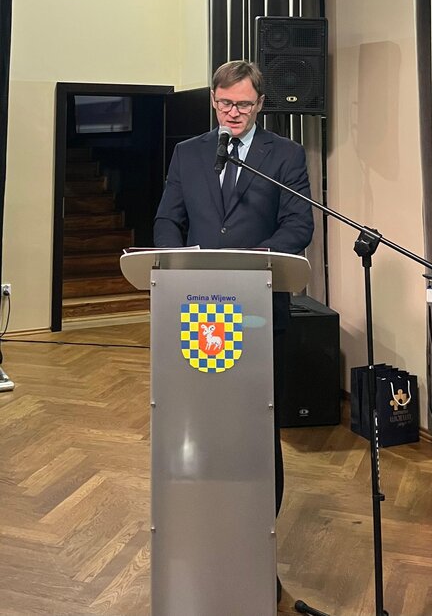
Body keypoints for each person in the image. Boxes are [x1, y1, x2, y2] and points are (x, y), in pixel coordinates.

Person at [154, 59, 314, 604]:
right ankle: (204, 543)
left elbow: (298, 225)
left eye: (243, 104)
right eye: (225, 104)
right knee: (202, 432)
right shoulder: (189, 153)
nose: (233, 113)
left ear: (260, 104)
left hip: (259, 313)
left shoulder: (284, 156)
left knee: (257, 435)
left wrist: (249, 262)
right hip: (196, 316)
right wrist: (178, 264)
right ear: (214, 101)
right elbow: (168, 219)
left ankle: (256, 549)